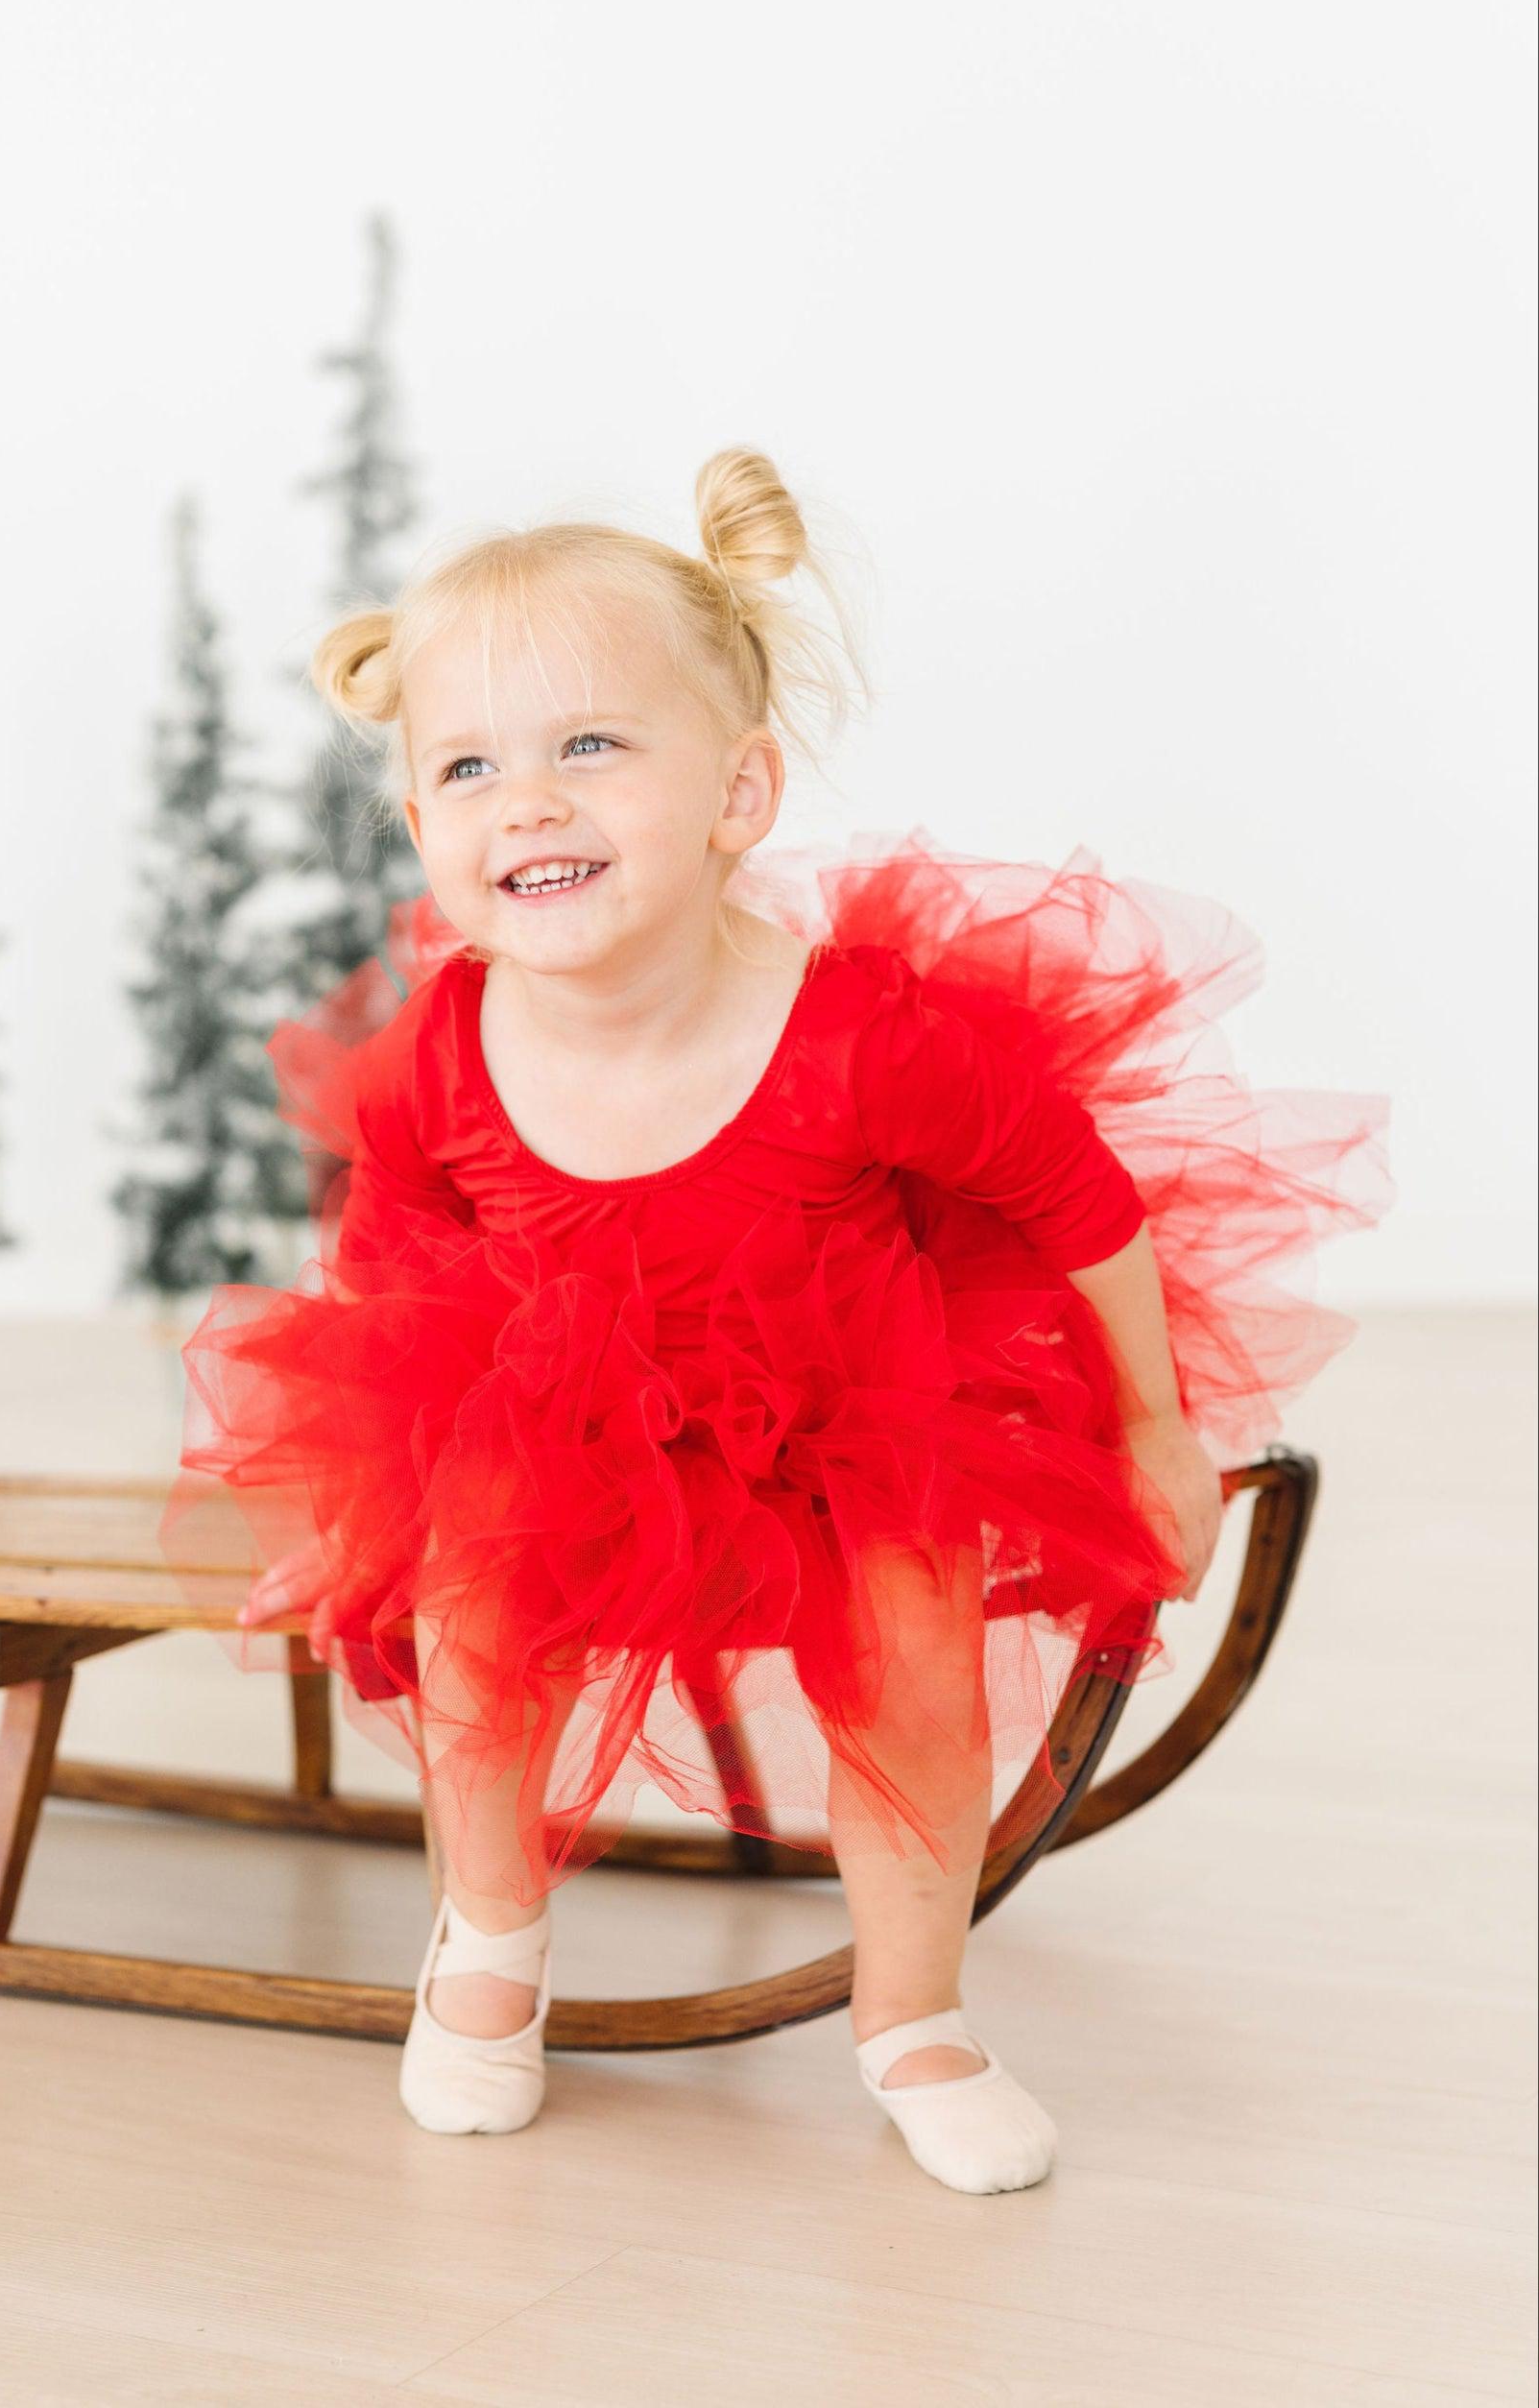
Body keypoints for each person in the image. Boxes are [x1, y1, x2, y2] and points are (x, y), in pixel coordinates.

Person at [159, 447, 1393, 2195]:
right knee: (475, 1610)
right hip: (568, 1420)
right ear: (422, 827)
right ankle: (489, 1937)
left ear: (738, 790)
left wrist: (1146, 1428)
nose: (528, 803)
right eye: (468, 767)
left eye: (591, 745)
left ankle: (915, 2011)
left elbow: (1082, 1208)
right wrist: (394, 1468)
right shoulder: (440, 1052)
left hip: (847, 1418)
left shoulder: (860, 1036)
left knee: (915, 1659)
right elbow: (396, 1254)